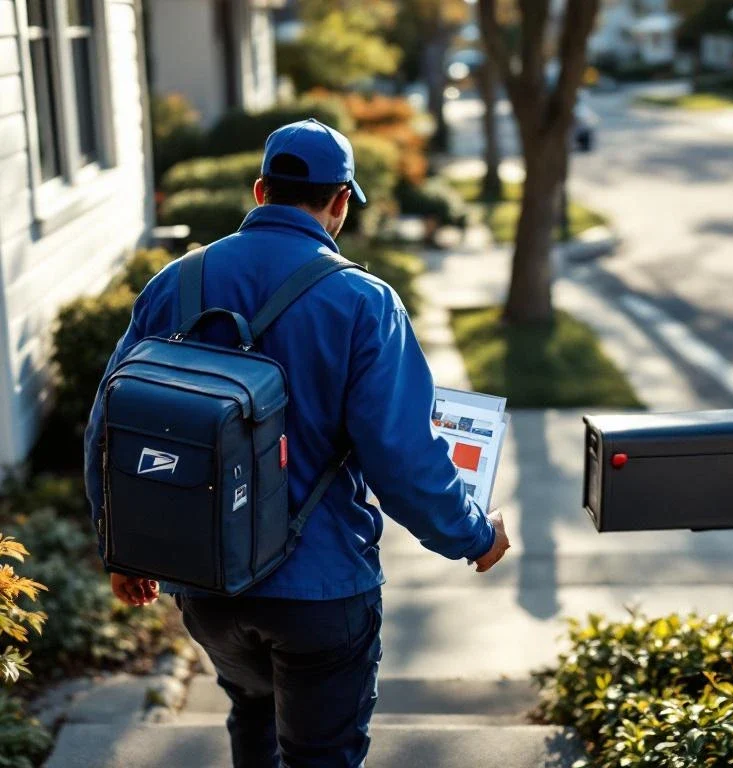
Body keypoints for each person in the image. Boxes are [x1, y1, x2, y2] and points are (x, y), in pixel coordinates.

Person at [84, 118, 511, 768]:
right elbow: (401, 459)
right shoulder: (364, 302)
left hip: (207, 584)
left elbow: (106, 428)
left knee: (252, 709)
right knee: (320, 755)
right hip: (321, 589)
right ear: (340, 201)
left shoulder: (175, 283)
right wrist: (474, 535)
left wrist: (122, 546)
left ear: (261, 191)